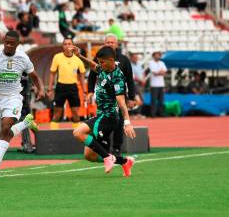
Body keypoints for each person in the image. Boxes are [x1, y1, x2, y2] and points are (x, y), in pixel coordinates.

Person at [0, 30, 45, 179]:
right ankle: (26, 123)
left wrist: (41, 88)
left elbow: (35, 76)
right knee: (3, 131)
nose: (8, 45)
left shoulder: (23, 58)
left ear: (18, 44)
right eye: (6, 42)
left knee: (5, 128)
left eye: (12, 43)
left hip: (13, 97)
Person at [73, 46, 136, 175]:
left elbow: (121, 102)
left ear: (112, 60)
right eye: (99, 62)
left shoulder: (117, 77)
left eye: (102, 62)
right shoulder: (103, 68)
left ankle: (108, 157)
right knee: (89, 155)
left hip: (109, 118)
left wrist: (127, 122)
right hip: (101, 115)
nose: (100, 64)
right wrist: (79, 56)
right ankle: (124, 162)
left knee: (78, 132)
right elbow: (92, 65)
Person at [47, 38, 86, 123]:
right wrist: (50, 90)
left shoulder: (78, 59)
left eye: (69, 44)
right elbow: (52, 74)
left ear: (73, 46)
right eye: (65, 44)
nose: (67, 46)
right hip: (61, 87)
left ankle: (76, 135)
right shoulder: (57, 57)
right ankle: (52, 134)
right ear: (62, 46)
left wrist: (84, 92)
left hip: (73, 87)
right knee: (57, 114)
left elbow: (82, 77)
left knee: (75, 114)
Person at [149, 51, 167, 117]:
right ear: (153, 56)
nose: (157, 56)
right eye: (156, 55)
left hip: (161, 84)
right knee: (153, 100)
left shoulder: (162, 63)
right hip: (154, 85)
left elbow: (164, 72)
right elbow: (154, 73)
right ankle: (153, 114)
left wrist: (159, 72)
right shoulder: (151, 63)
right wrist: (160, 72)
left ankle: (161, 113)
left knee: (161, 100)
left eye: (159, 55)